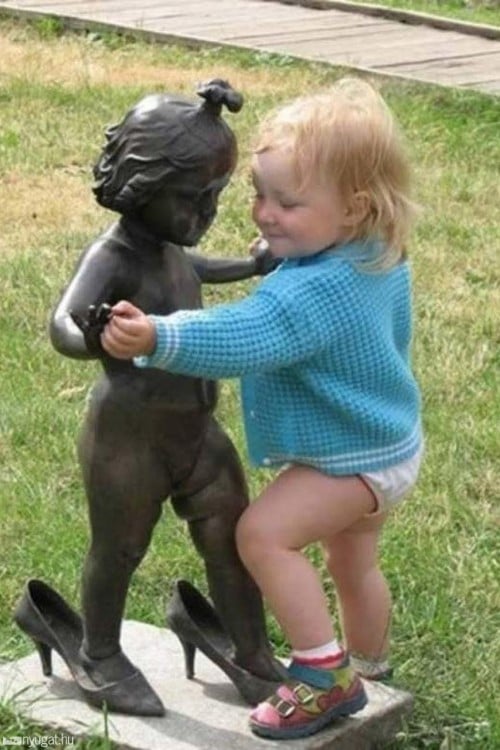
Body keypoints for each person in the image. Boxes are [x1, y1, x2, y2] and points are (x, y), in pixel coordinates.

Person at [100, 76, 423, 739]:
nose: (264, 213)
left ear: (355, 208)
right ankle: (369, 659)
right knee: (352, 562)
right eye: (258, 194)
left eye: (287, 203)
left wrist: (158, 337)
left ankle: (322, 676)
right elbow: (323, 307)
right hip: (389, 447)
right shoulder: (376, 254)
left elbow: (240, 338)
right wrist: (280, 256)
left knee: (262, 535)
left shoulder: (308, 296)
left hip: (348, 462)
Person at [22, 79, 284, 716]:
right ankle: (100, 654)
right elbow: (63, 324)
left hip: (196, 429)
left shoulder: (171, 250)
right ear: (140, 188)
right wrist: (93, 336)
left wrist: (251, 268)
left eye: (217, 195)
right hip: (128, 438)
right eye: (196, 199)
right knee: (118, 548)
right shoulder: (111, 255)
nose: (210, 212)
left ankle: (250, 650)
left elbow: (197, 269)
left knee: (230, 535)